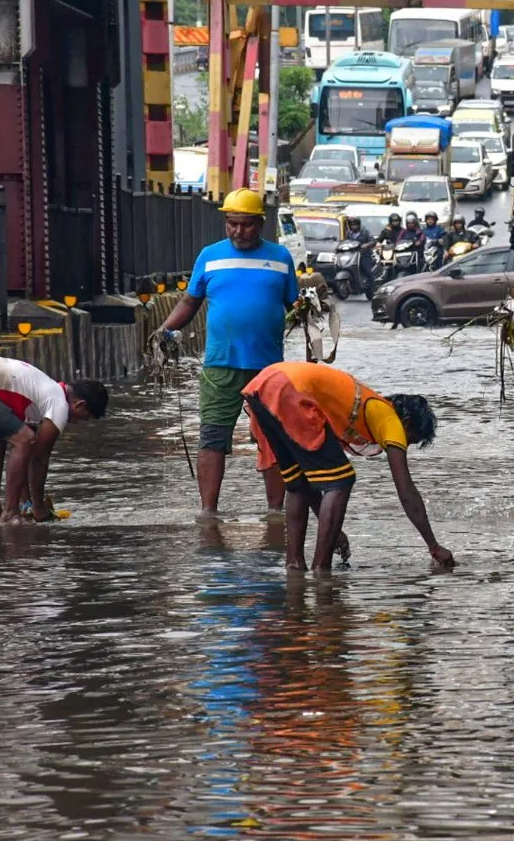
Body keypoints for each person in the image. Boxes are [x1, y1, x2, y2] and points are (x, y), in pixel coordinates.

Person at [156, 187, 298, 518]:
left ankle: (276, 512)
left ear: (260, 223)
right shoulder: (209, 256)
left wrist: (310, 314)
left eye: (246, 224)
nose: (238, 231)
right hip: (221, 364)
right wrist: (164, 331)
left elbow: (295, 306)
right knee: (213, 436)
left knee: (272, 439)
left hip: (268, 368)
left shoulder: (280, 258)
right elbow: (190, 301)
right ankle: (208, 512)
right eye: (232, 224)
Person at [241, 362, 455, 571]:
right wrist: (433, 546)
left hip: (264, 384)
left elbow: (310, 486)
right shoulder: (391, 421)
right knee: (342, 481)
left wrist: (333, 531)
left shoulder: (364, 406)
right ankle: (321, 568)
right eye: (411, 440)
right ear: (407, 422)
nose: (404, 445)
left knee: (298, 482)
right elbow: (406, 492)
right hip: (291, 388)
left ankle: (295, 564)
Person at [0, 356, 108, 523]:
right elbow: (38, 459)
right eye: (82, 417)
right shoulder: (58, 403)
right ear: (79, 404)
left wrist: (27, 503)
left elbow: (25, 458)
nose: (75, 422)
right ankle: (10, 514)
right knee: (25, 440)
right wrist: (39, 508)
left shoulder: (40, 395)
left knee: (0, 440)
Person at [343, 215, 375, 295]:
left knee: (368, 272)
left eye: (355, 225)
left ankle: (372, 290)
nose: (353, 227)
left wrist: (367, 245)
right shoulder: (349, 234)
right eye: (352, 225)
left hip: (364, 255)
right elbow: (345, 242)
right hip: (352, 256)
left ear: (359, 225)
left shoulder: (365, 232)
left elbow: (373, 241)